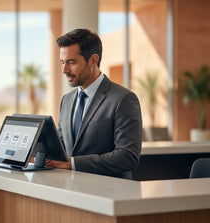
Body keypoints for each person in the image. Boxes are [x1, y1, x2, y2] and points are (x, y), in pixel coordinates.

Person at [45, 29, 142, 179]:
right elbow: (61, 147)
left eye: (71, 62)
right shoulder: (67, 100)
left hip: (109, 192)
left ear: (93, 60)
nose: (64, 70)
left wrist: (73, 164)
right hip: (71, 190)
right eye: (63, 62)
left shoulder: (123, 99)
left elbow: (127, 157)